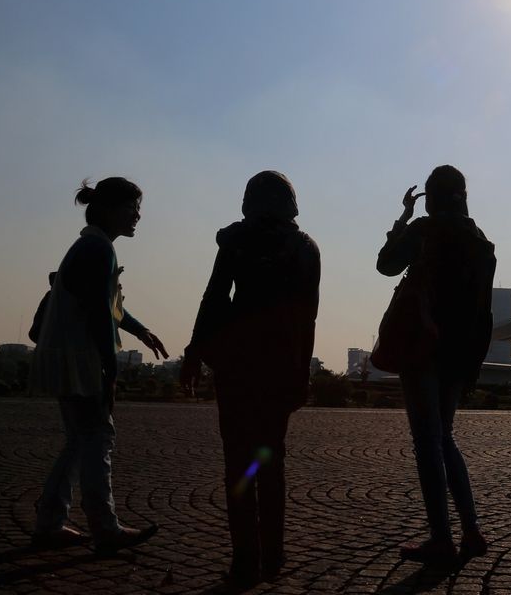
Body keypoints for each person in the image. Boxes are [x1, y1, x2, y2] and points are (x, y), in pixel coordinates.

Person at [181, 171, 320, 588]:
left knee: (237, 463)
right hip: (279, 367)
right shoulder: (305, 248)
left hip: (238, 366)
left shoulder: (236, 242)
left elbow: (214, 297)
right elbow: (307, 319)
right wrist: (301, 375)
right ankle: (273, 554)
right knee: (270, 459)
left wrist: (192, 353)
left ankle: (245, 560)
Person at [30, 177, 168, 553]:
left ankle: (50, 521)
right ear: (109, 210)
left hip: (66, 354)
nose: (137, 215)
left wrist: (140, 330)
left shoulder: (91, 245)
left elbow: (106, 307)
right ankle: (104, 526)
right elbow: (97, 315)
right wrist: (111, 370)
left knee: (80, 440)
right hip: (81, 358)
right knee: (97, 437)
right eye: (131, 207)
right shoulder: (98, 249)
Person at [376, 164, 496, 564]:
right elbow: (483, 310)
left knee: (427, 441)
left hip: (422, 345)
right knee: (444, 437)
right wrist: (473, 364)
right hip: (459, 353)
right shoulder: (480, 243)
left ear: (430, 196)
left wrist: (404, 218)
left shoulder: (423, 232)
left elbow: (386, 264)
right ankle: (472, 529)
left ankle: (441, 537)